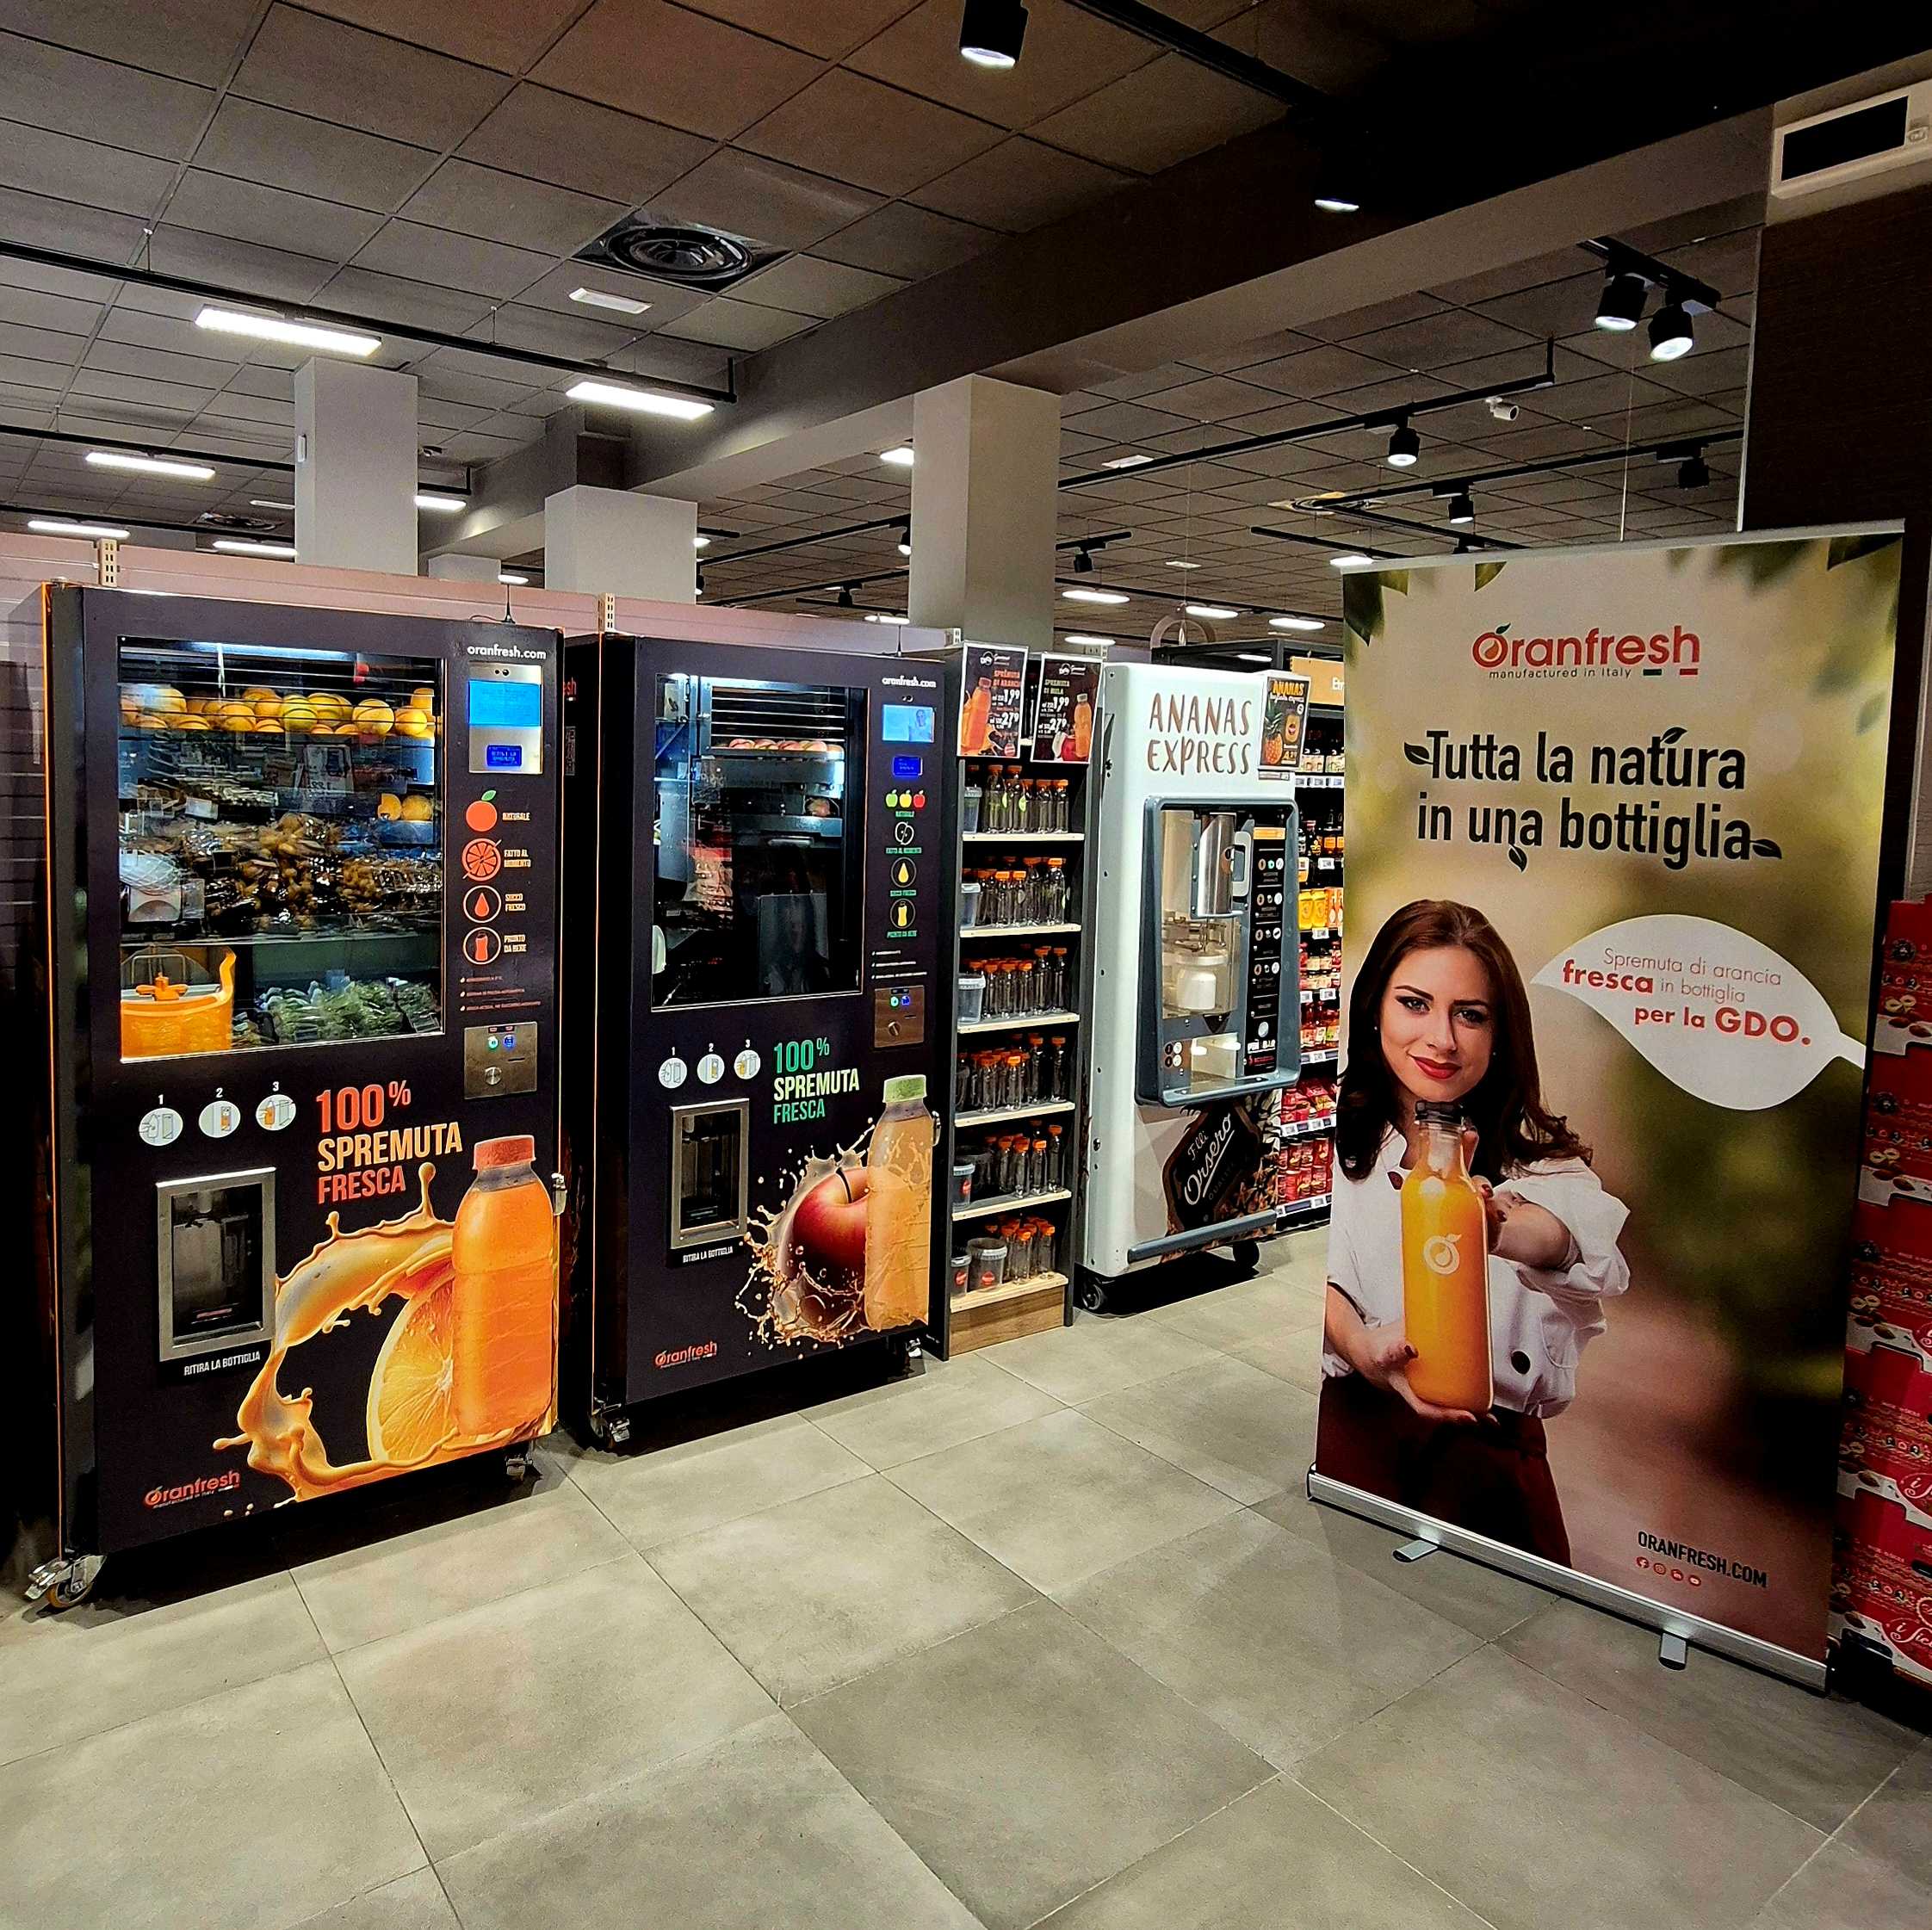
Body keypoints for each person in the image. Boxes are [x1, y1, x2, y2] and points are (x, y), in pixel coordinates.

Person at [1320, 899, 1630, 1564]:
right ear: (1373, 1009)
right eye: (1415, 1004)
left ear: (1500, 1034)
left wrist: (1490, 1226)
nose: (1442, 1039)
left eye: (1470, 1014)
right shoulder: (1333, 1137)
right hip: (1350, 1440)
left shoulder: (1541, 1166)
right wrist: (1358, 1344)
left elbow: (1564, 1237)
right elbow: (1320, 1272)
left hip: (1487, 1469)